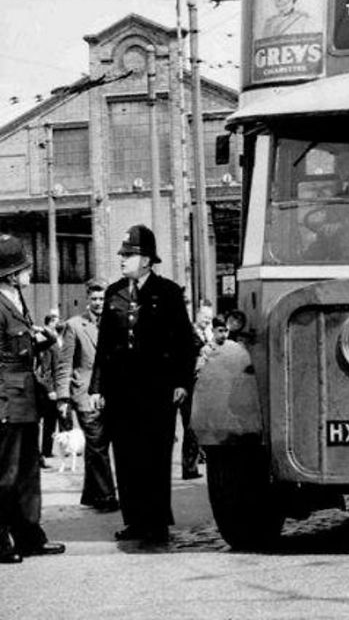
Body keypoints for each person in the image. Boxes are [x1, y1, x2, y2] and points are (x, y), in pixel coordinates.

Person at [89, 224, 195, 547]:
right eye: (122, 254)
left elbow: (184, 343)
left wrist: (181, 382)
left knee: (156, 457)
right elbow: (104, 346)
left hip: (157, 391)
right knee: (127, 456)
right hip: (122, 393)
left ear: (146, 260)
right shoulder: (114, 293)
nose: (122, 260)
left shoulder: (169, 293)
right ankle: (134, 520)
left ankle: (157, 523)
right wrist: (97, 388)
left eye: (129, 255)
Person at [0, 233, 65, 563]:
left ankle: (29, 536)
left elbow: (19, 347)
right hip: (7, 401)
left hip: (25, 399)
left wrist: (42, 341)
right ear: (10, 273)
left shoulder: (15, 299)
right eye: (24, 268)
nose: (29, 272)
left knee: (27, 473)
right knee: (5, 475)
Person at [56, 279, 118, 512]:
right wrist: (63, 397)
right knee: (97, 443)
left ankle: (91, 494)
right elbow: (64, 364)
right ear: (87, 299)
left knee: (96, 447)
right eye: (94, 299)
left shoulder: (115, 324)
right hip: (84, 394)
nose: (98, 303)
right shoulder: (74, 325)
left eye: (102, 298)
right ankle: (106, 497)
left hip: (110, 393)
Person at [181, 301, 213, 479]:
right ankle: (189, 467)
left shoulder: (206, 333)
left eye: (209, 318)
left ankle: (196, 461)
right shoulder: (189, 333)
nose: (207, 321)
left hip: (202, 385)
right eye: (204, 317)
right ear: (197, 315)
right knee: (190, 427)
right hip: (189, 385)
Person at [36, 310, 61, 468]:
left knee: (52, 421)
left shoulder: (57, 338)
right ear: (51, 321)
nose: (59, 321)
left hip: (57, 385)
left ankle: (47, 450)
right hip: (47, 389)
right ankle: (43, 451)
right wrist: (50, 389)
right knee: (46, 420)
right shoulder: (46, 339)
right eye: (57, 319)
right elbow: (45, 369)